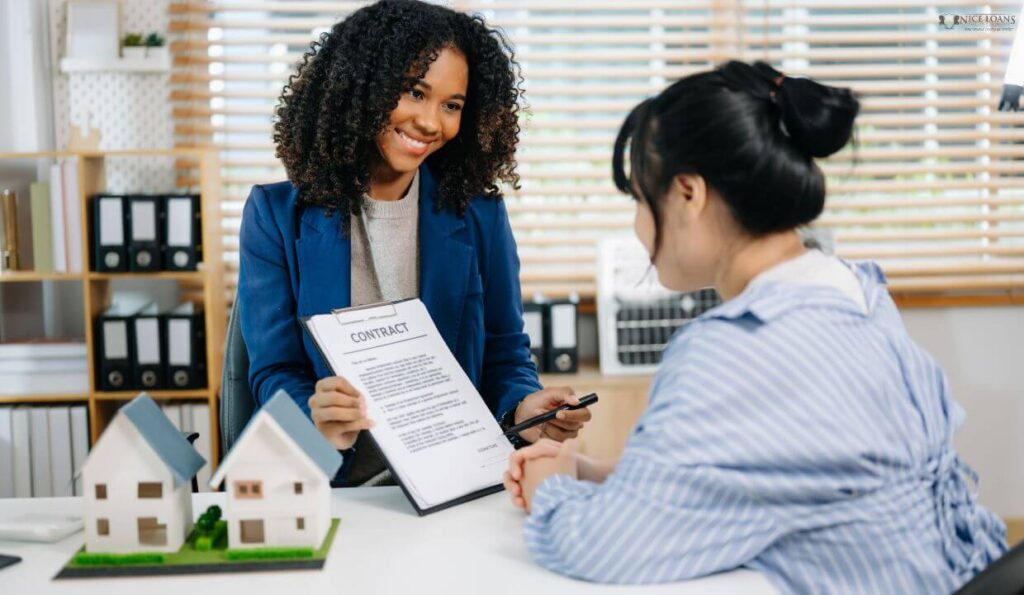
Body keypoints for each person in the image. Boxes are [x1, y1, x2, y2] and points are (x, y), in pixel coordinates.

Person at [502, 60, 1007, 593]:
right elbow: (770, 474)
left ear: (688, 194)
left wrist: (550, 486)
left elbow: (605, 547)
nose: (637, 226)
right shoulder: (854, 290)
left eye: (640, 200)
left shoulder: (735, 349)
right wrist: (590, 471)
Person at [238, 0, 590, 487]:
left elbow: (504, 354)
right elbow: (273, 371)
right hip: (338, 489)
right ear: (361, 87)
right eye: (414, 92)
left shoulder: (480, 215)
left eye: (452, 106)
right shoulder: (275, 216)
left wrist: (522, 409)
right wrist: (315, 420)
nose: (430, 122)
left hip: (458, 481)